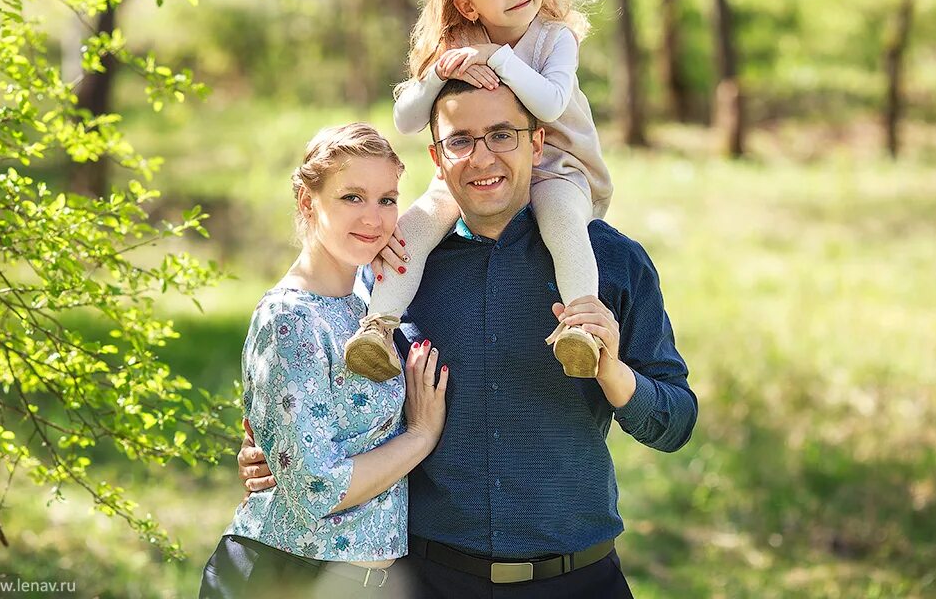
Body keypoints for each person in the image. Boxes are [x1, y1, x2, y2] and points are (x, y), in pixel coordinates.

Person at [239, 82, 698, 598]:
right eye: (461, 141)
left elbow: (675, 423)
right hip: (430, 580)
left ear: (537, 142)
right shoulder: (393, 270)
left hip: (578, 579)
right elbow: (328, 403)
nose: (482, 159)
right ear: (437, 156)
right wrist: (272, 451)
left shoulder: (609, 264)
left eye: (502, 135)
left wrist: (614, 373)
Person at [344, 0, 614, 385]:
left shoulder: (556, 39)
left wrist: (498, 59)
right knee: (418, 226)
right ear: (467, 7)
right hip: (473, 168)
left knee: (563, 223)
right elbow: (407, 120)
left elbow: (550, 104)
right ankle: (378, 329)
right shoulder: (460, 42)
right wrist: (438, 74)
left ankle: (580, 329)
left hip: (557, 166)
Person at [201, 123, 450, 599]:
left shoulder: (368, 304)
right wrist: (421, 436)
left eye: (387, 199)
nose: (374, 219)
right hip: (282, 574)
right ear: (306, 199)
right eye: (351, 197)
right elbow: (318, 488)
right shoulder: (289, 318)